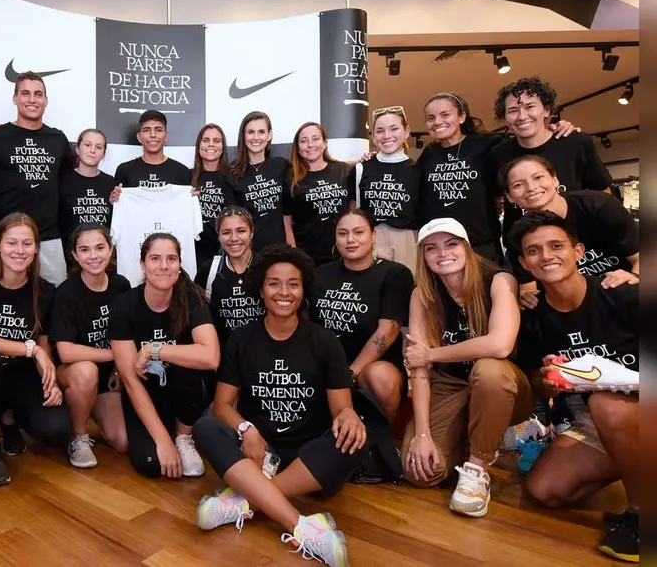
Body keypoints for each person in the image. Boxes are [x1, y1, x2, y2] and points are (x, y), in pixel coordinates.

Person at [191, 244, 365, 565]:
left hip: (307, 461)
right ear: (261, 289)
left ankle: (247, 501)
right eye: (274, 283)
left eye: (293, 284)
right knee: (205, 427)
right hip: (257, 455)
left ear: (303, 291)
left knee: (354, 439)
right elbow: (223, 406)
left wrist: (350, 415)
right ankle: (302, 527)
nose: (283, 292)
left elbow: (342, 408)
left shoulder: (324, 342)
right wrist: (247, 429)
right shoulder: (241, 339)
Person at [510, 211, 638, 563]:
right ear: (524, 263)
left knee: (606, 403)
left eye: (556, 246)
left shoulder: (623, 293)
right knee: (545, 490)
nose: (546, 256)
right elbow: (538, 381)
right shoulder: (533, 318)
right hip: (598, 426)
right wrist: (548, 381)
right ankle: (638, 464)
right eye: (533, 251)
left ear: (578, 251)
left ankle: (644, 515)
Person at [401, 217, 534, 518]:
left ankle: (477, 467)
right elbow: (418, 368)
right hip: (449, 385)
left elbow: (500, 345)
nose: (442, 253)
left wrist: (432, 354)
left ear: (466, 246)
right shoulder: (422, 294)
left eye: (451, 244)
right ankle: (489, 433)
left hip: (501, 384)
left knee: (488, 370)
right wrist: (423, 434)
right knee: (422, 473)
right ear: (423, 256)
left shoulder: (499, 280)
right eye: (431, 248)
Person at [0, 213, 70, 486]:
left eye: (27, 244)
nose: (19, 251)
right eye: (11, 243)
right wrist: (31, 349)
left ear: (36, 248)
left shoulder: (45, 291)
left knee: (56, 428)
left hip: (20, 377)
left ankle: (8, 420)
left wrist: (49, 378)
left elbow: (43, 348)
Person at [416, 92, 579, 264]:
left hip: (482, 243)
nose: (437, 122)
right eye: (431, 118)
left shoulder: (488, 144)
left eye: (445, 115)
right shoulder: (429, 154)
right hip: (442, 244)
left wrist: (555, 128)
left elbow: (527, 149)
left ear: (462, 116)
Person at [108, 233, 220, 479]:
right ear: (142, 264)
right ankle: (167, 434)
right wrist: (162, 442)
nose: (164, 266)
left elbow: (211, 357)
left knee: (189, 361)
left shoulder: (190, 298)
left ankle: (184, 434)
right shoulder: (124, 305)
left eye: (171, 259)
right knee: (151, 464)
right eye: (155, 258)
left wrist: (153, 349)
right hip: (147, 391)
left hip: (184, 391)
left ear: (179, 265)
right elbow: (130, 379)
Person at [310, 209, 413, 420]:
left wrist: (348, 374)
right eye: (343, 233)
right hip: (326, 363)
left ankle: (381, 444)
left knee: (381, 378)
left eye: (358, 232)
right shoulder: (321, 274)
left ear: (373, 235)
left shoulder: (394, 274)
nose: (350, 240)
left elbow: (388, 330)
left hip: (370, 367)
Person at [500, 155, 639, 309]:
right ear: (509, 196)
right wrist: (527, 298)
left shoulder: (600, 205)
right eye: (518, 185)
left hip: (622, 293)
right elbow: (530, 289)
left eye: (538, 177)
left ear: (555, 179)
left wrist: (634, 277)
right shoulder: (520, 235)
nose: (531, 188)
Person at [0, 71, 76, 287]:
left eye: (38, 94)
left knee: (56, 300)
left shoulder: (58, 139)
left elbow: (72, 177)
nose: (32, 99)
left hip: (48, 237)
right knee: (3, 298)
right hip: (7, 238)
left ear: (46, 101)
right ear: (15, 98)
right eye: (25, 93)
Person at [490, 76, 612, 238]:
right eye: (513, 111)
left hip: (577, 240)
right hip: (521, 245)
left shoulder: (576, 143)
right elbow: (496, 198)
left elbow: (604, 196)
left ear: (546, 110)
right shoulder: (498, 154)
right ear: (505, 119)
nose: (522, 116)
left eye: (530, 106)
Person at [50, 224, 132, 468]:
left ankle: (91, 405)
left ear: (111, 250)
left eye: (99, 248)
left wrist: (118, 369)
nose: (93, 256)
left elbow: (129, 335)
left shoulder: (122, 285)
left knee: (123, 442)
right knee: (86, 371)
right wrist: (116, 355)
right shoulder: (66, 292)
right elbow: (66, 351)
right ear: (75, 255)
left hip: (107, 377)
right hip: (74, 371)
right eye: (84, 250)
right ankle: (79, 436)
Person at [356, 106, 421, 274]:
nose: (387, 136)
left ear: (406, 131)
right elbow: (354, 210)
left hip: (407, 239)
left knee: (407, 287)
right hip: (372, 238)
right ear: (373, 135)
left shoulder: (418, 169)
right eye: (380, 131)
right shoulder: (361, 168)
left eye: (394, 129)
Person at [194, 206, 263, 350]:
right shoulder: (209, 271)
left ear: (251, 233)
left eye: (241, 231)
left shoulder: (267, 266)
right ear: (218, 236)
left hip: (263, 352)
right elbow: (199, 315)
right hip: (224, 355)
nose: (234, 238)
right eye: (226, 232)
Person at [288, 122, 355, 266]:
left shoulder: (343, 170)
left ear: (324, 143)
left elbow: (353, 211)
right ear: (298, 148)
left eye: (316, 139)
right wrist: (295, 256)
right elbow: (286, 224)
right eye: (304, 141)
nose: (310, 144)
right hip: (308, 255)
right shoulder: (291, 178)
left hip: (343, 252)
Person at [230, 111, 295, 253]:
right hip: (249, 253)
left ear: (269, 135)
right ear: (244, 136)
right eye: (251, 132)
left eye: (261, 132)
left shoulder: (281, 165)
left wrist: (353, 165)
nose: (256, 137)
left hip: (280, 250)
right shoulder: (232, 172)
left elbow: (311, 169)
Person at [58, 129, 117, 258]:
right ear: (77, 149)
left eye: (98, 147)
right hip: (70, 254)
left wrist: (116, 204)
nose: (92, 150)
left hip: (101, 255)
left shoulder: (111, 182)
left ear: (103, 154)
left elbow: (118, 221)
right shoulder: (62, 181)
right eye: (87, 145)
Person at [192, 123, 237, 265]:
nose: (211, 145)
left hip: (227, 252)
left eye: (217, 141)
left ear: (223, 147)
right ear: (199, 146)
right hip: (194, 254)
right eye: (206, 140)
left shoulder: (235, 177)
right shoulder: (186, 177)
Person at [112, 110, 192, 190]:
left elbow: (186, 201)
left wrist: (193, 198)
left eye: (158, 130)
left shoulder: (182, 172)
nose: (153, 135)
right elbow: (117, 200)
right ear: (139, 137)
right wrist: (113, 200)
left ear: (166, 136)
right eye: (146, 130)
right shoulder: (124, 170)